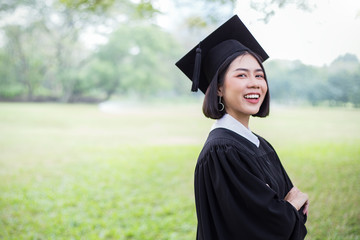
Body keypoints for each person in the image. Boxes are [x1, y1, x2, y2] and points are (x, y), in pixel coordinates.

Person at [176, 15, 309, 240]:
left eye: (259, 75)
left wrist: (288, 207)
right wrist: (291, 205)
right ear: (218, 88)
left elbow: (288, 209)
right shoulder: (223, 152)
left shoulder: (258, 143)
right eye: (241, 75)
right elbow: (268, 226)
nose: (255, 83)